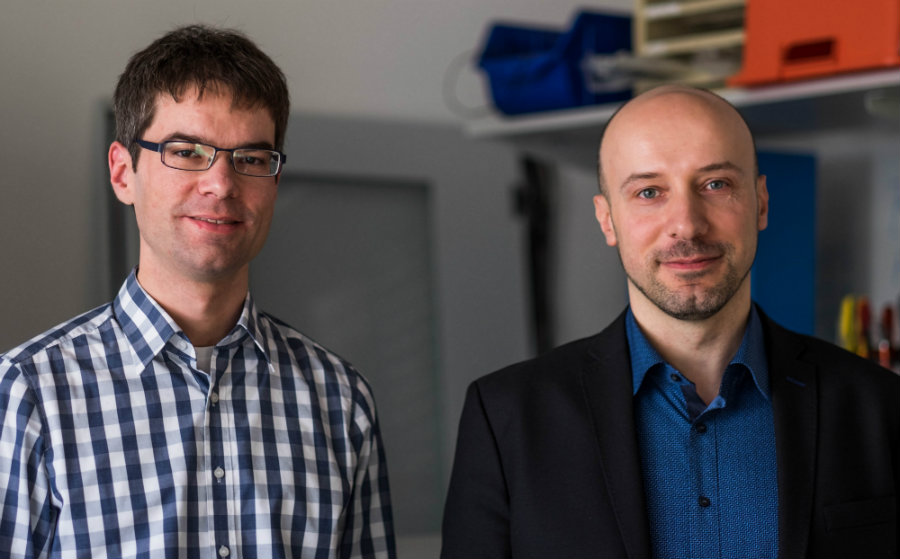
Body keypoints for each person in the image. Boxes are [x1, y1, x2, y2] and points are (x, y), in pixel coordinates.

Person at [441, 85, 899, 558]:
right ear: (607, 220)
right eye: (649, 192)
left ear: (761, 202)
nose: (686, 224)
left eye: (716, 184)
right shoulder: (506, 418)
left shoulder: (878, 407)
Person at [0, 25, 394, 559]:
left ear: (274, 182)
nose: (222, 184)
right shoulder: (29, 395)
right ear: (122, 173)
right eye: (186, 151)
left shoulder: (340, 401)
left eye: (251, 159)